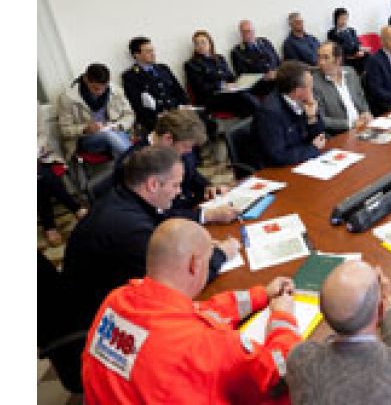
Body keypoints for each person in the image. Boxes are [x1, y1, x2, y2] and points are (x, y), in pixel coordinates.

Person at [82, 219, 301, 403]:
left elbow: (199, 312)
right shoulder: (208, 346)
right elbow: (281, 373)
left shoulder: (117, 299)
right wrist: (283, 317)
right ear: (194, 264)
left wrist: (260, 295)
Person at [63, 146, 240, 329]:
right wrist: (221, 254)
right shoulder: (132, 230)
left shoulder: (124, 197)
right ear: (153, 185)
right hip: (106, 323)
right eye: (175, 185)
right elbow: (177, 287)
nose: (179, 192)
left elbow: (162, 216)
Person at [286, 261, 391, 404]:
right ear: (381, 310)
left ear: (322, 312)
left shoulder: (301, 360)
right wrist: (388, 303)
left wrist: (283, 314)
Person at [113, 109, 239, 224]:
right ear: (168, 139)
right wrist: (206, 215)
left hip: (190, 211)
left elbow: (192, 174)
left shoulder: (176, 149)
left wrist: (208, 187)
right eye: (186, 146)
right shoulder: (131, 164)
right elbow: (155, 214)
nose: (189, 151)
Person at [251, 60, 326, 167]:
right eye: (310, 85)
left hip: (301, 160)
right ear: (298, 91)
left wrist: (312, 117)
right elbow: (278, 156)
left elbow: (319, 137)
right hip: (274, 170)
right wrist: (312, 149)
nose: (313, 88)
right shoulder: (270, 113)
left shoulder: (304, 99)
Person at [57, 62, 135, 160]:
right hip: (86, 139)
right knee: (110, 135)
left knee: (115, 135)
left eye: (104, 88)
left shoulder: (116, 91)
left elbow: (129, 114)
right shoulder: (68, 98)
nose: (100, 92)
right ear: (85, 79)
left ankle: (132, 162)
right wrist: (85, 129)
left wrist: (119, 125)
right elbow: (64, 130)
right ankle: (136, 160)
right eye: (95, 88)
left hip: (115, 132)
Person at [39, 105, 87, 246]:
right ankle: (75, 208)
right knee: (42, 176)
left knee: (42, 176)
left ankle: (49, 226)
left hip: (39, 155)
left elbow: (41, 135)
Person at [122, 37, 189, 133]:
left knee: (202, 123)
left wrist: (184, 107)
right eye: (148, 51)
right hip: (155, 119)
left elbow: (179, 92)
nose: (153, 54)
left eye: (153, 50)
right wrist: (157, 115)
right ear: (137, 55)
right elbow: (136, 105)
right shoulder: (130, 76)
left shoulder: (163, 69)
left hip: (176, 112)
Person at [184, 30, 258, 116]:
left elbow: (230, 76)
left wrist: (238, 83)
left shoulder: (219, 58)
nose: (200, 46)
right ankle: (258, 116)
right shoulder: (191, 64)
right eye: (197, 44)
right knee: (243, 98)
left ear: (210, 43)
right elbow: (201, 87)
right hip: (210, 97)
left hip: (228, 93)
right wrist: (222, 85)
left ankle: (255, 116)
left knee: (246, 93)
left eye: (203, 42)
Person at [312, 41, 372, 135]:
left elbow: (361, 98)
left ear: (338, 59)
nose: (321, 62)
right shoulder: (314, 83)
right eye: (319, 57)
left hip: (363, 126)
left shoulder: (351, 72)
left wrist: (366, 112)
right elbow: (321, 119)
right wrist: (350, 124)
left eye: (326, 58)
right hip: (341, 133)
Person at [230, 19, 281, 95]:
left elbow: (278, 61)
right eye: (244, 32)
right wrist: (264, 77)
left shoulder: (265, 42)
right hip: (261, 86)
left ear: (254, 30)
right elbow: (243, 76)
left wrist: (277, 72)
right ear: (240, 33)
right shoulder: (237, 52)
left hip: (278, 80)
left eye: (250, 31)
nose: (248, 34)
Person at [327, 7, 369, 74]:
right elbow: (339, 48)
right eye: (342, 19)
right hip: (345, 58)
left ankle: (365, 75)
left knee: (368, 56)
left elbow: (357, 42)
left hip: (356, 55)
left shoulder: (351, 30)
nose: (344, 21)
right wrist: (356, 51)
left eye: (346, 19)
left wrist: (361, 49)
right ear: (336, 19)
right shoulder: (332, 33)